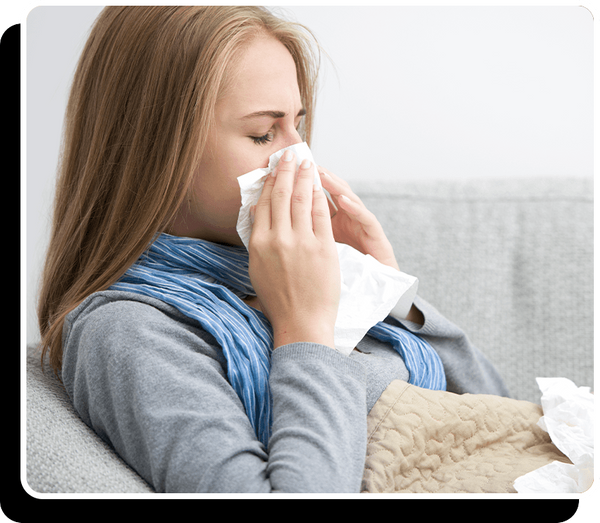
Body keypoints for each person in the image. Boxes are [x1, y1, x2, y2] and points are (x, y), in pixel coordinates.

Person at [37, 6, 509, 493]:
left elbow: (502, 419)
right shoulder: (130, 332)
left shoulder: (297, 274)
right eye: (263, 132)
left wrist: (388, 295)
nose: (298, 157)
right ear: (155, 149)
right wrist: (304, 329)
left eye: (297, 128)